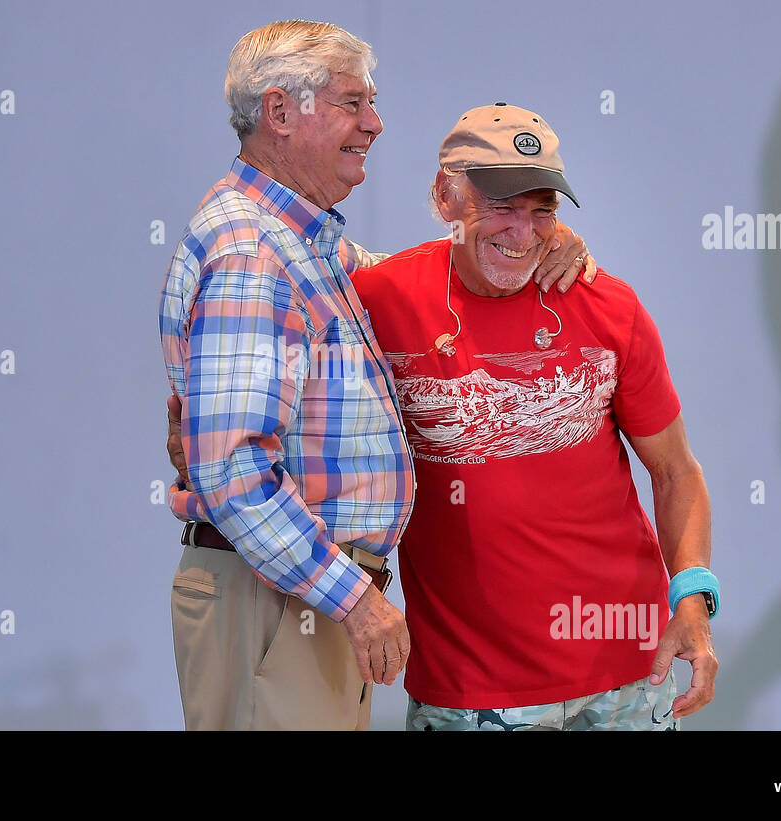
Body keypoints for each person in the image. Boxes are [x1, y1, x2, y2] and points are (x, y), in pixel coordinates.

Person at [158, 23, 595, 730]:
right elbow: (235, 474)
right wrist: (356, 601)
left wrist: (530, 232)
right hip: (283, 603)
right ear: (279, 113)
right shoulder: (251, 253)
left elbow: (421, 278)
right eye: (352, 103)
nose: (375, 123)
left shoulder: (304, 242)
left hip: (300, 597)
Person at [350, 104, 719, 730]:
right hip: (471, 692)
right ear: (444, 195)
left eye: (542, 208)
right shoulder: (377, 300)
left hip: (628, 674)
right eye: (500, 204)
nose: (523, 233)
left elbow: (677, 472)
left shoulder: (609, 305)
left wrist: (692, 599)